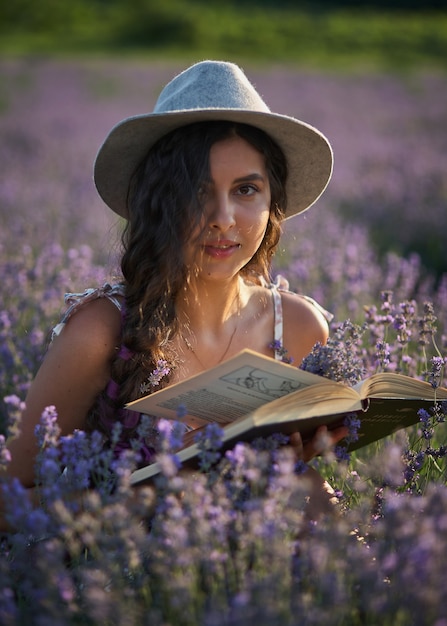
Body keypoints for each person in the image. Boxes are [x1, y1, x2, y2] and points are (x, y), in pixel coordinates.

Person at [3, 60, 347, 528]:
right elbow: (11, 497)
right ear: (158, 202)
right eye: (197, 191)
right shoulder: (102, 331)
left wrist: (296, 463)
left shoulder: (302, 329)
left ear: (273, 204)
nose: (223, 218)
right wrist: (140, 502)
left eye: (246, 189)